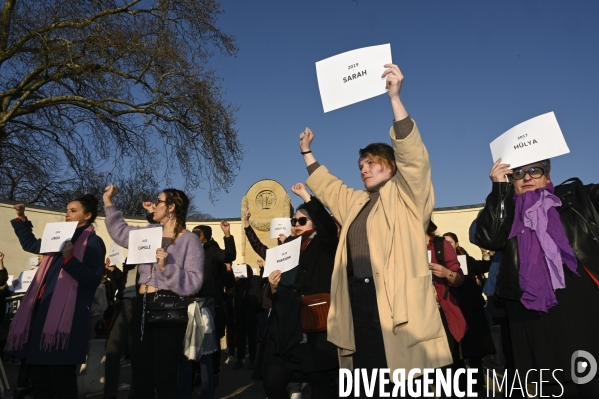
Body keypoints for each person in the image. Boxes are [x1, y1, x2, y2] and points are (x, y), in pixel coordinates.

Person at [300, 64, 452, 397]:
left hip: (399, 303)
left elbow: (414, 159)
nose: (363, 170)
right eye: (360, 166)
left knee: (407, 382)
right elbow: (330, 188)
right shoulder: (356, 202)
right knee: (370, 379)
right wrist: (307, 153)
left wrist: (395, 98)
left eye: (370, 163)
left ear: (390, 164)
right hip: (358, 299)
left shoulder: (407, 194)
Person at [475, 158, 599, 396]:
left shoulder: (573, 199)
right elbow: (489, 238)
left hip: (578, 304)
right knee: (549, 383)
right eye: (519, 173)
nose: (527, 177)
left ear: (547, 177)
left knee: (590, 377)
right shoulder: (504, 210)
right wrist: (499, 188)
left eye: (535, 170)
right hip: (529, 312)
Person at [103, 185, 203, 399]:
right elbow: (120, 232)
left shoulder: (189, 240)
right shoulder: (148, 233)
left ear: (171, 207)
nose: (154, 204)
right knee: (140, 375)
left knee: (165, 379)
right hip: (141, 305)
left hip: (169, 307)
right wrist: (108, 201)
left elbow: (195, 282)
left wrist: (168, 268)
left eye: (159, 201)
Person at [6, 196, 106, 398]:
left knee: (62, 383)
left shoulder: (94, 242)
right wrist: (21, 218)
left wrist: (69, 259)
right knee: (41, 382)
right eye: (67, 210)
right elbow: (31, 244)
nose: (67, 214)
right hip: (41, 314)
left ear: (87, 215)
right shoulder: (59, 235)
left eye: (73, 210)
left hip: (66, 322)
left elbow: (94, 278)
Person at [247, 183, 339, 399]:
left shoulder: (324, 245)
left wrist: (307, 196)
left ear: (314, 222)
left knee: (321, 386)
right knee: (272, 382)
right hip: (286, 326)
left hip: (315, 323)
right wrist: (273, 286)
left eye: (302, 220)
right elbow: (275, 289)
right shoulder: (287, 247)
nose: (296, 225)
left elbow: (326, 226)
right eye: (294, 221)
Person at [443, 231, 496, 394]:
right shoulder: (439, 264)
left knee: (475, 351)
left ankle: (478, 386)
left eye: (450, 242)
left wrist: (485, 254)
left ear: (456, 244)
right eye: (444, 243)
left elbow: (483, 266)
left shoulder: (465, 260)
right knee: (455, 352)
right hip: (453, 311)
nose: (447, 245)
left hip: (471, 311)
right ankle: (461, 386)